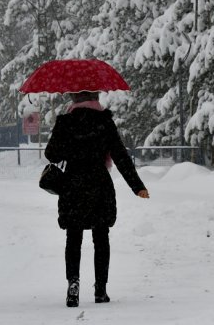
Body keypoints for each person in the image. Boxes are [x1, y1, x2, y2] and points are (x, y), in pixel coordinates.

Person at [45, 91, 149, 307]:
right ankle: (100, 289)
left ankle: (73, 284)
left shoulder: (66, 122)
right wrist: (137, 187)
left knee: (73, 238)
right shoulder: (105, 122)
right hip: (99, 185)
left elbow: (51, 154)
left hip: (73, 184)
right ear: (96, 98)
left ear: (74, 99)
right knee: (101, 237)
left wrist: (68, 143)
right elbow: (120, 156)